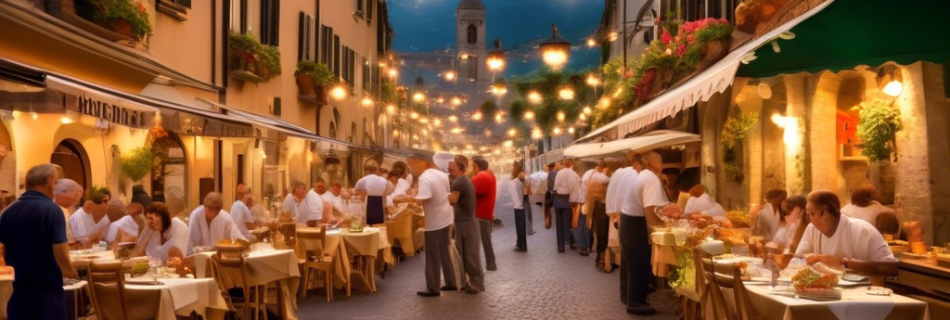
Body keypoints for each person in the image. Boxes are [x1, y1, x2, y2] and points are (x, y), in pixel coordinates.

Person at [0, 164, 79, 320]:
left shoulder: (7, 211)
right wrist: (73, 274)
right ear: (51, 183)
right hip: (46, 293)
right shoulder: (52, 210)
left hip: (17, 293)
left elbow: (3, 248)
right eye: (56, 182)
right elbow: (61, 252)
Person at [395, 150, 456, 297]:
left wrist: (405, 199)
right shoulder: (442, 174)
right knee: (444, 252)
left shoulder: (424, 178)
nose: (412, 168)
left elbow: (424, 198)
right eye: (410, 165)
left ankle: (433, 287)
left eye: (414, 164)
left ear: (424, 163)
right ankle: (451, 281)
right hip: (447, 217)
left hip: (434, 221)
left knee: (432, 255)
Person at [625, 152, 673, 315]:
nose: (663, 166)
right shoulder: (650, 178)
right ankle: (635, 303)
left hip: (630, 223)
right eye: (661, 163)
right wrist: (658, 228)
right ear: (653, 163)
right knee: (639, 264)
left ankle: (637, 299)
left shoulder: (646, 175)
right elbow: (650, 210)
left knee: (637, 264)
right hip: (634, 224)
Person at [796, 190, 897, 267]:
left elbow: (890, 266)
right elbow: (799, 259)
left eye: (811, 214)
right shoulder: (812, 229)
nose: (808, 218)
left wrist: (843, 262)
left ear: (825, 213)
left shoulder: (861, 230)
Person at [449, 154, 484, 294]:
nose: (450, 170)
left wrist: (440, 195)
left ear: (461, 168)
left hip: (465, 223)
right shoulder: (464, 180)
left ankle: (476, 284)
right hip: (467, 222)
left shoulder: (459, 182)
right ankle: (471, 283)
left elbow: (453, 200)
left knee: (469, 255)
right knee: (468, 254)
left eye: (453, 167)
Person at [616, 152, 645, 303]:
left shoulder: (628, 175)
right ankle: (627, 294)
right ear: (637, 164)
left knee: (627, 259)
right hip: (629, 220)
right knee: (630, 261)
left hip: (624, 217)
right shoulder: (634, 176)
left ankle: (625, 293)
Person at [471, 157, 498, 270]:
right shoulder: (489, 174)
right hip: (486, 213)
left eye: (473, 166)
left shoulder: (481, 176)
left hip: (481, 213)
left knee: (478, 242)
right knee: (486, 241)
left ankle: (490, 264)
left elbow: (469, 190)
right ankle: (491, 264)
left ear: (476, 165)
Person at [553, 158, 581, 254]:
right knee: (569, 223)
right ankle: (570, 241)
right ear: (572, 164)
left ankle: (560, 247)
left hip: (558, 200)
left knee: (559, 224)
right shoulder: (572, 174)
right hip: (567, 200)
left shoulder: (559, 173)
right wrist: (574, 201)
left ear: (564, 164)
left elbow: (555, 186)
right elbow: (573, 188)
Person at [586, 160, 610, 269]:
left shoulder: (590, 174)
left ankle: (600, 258)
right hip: (601, 206)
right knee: (603, 234)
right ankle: (602, 259)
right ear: (602, 168)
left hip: (594, 206)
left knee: (599, 233)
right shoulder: (601, 177)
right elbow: (607, 180)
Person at [354, 160, 394, 226]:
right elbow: (391, 191)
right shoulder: (385, 182)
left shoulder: (361, 181)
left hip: (365, 216)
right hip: (381, 215)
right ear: (376, 169)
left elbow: (356, 199)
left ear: (365, 170)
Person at [54, 179, 83, 243]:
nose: (76, 200)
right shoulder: (55, 211)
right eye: (75, 195)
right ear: (63, 192)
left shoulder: (65, 210)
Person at [509, 163, 528, 252]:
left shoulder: (518, 181)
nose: (524, 174)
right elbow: (516, 195)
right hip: (519, 207)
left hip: (519, 207)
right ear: (518, 173)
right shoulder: (516, 182)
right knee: (520, 227)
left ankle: (521, 245)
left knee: (520, 227)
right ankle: (521, 244)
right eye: (522, 173)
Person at [544, 163, 559, 229]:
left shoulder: (551, 173)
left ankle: (548, 223)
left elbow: (550, 185)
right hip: (554, 192)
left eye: (548, 167)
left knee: (547, 208)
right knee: (550, 208)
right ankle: (549, 223)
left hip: (551, 192)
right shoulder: (556, 172)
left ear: (550, 167)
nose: (548, 168)